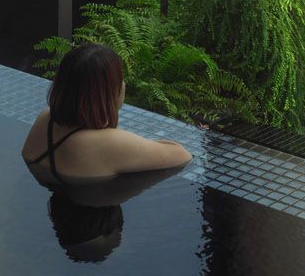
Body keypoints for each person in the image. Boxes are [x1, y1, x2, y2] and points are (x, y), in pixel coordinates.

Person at [22, 43, 191, 187]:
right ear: (108, 92)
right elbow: (181, 155)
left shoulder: (45, 118)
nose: (123, 84)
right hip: (88, 215)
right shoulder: (105, 143)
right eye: (120, 79)